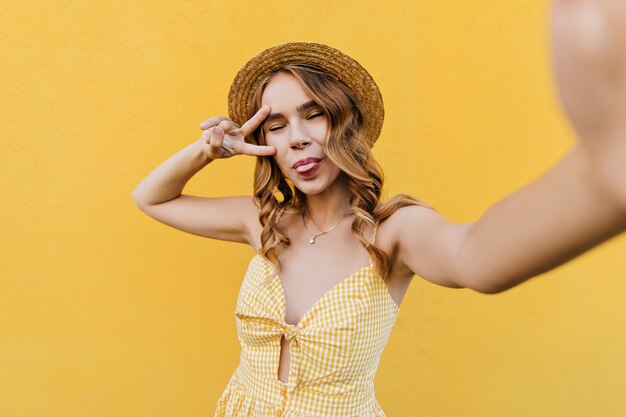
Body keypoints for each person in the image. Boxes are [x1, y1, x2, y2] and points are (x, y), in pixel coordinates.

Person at [131, 2, 626, 415]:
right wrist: (208, 149)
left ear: (345, 125)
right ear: (264, 143)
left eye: (314, 115)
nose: (298, 138)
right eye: (276, 125)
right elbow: (151, 198)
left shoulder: (393, 233)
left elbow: (476, 256)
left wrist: (602, 176)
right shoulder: (264, 224)